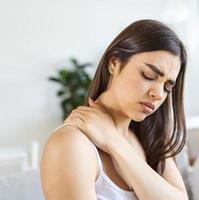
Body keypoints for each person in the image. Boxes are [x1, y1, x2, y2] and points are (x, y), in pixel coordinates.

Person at [40, 19, 188, 200]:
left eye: (167, 87)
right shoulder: (72, 143)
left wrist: (114, 142)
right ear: (114, 64)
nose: (158, 94)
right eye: (148, 75)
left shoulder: (150, 136)